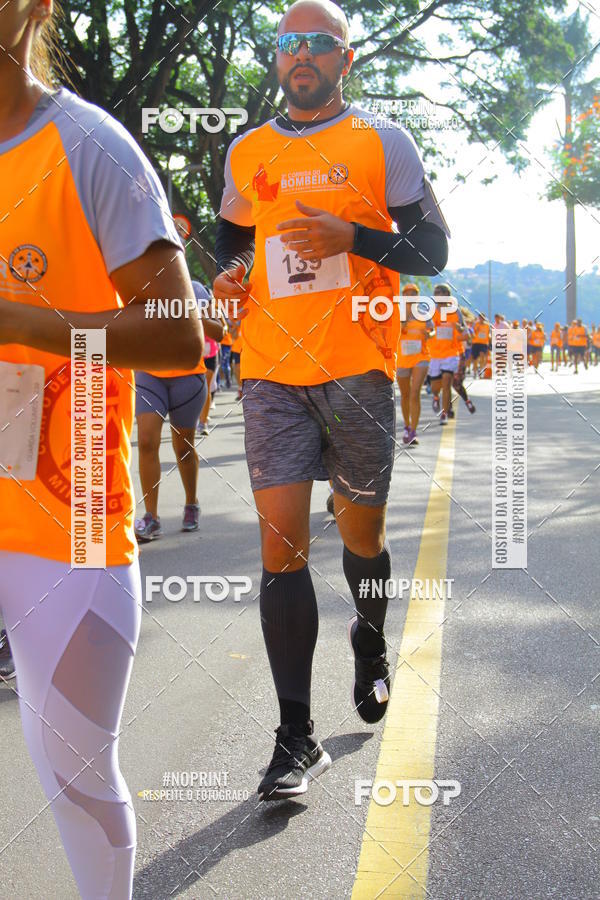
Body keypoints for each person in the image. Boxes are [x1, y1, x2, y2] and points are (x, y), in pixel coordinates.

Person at [213, 0, 449, 801]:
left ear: (345, 59)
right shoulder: (248, 149)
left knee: (362, 536)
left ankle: (372, 639)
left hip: (357, 368)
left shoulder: (382, 141)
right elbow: (233, 236)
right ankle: (294, 739)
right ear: (276, 60)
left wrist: (354, 239)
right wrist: (229, 272)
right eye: (287, 43)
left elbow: (432, 247)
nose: (300, 54)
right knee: (280, 553)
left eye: (318, 43)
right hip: (272, 371)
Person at [0, 4, 203, 896]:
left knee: (76, 775)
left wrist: (19, 323)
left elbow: (174, 335)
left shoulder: (89, 145)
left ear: (38, 6)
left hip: (67, 507)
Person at [134, 282, 222, 540]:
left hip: (188, 377)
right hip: (150, 374)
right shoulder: (138, 286)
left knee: (183, 446)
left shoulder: (194, 288)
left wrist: (192, 311)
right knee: (147, 441)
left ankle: (191, 503)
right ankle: (151, 517)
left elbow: (218, 331)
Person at [396, 283, 431, 446]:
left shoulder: (424, 313)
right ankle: (406, 425)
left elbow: (433, 330)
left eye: (413, 294)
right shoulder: (396, 313)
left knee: (415, 392)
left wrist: (429, 333)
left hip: (421, 356)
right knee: (405, 394)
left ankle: (413, 431)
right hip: (402, 357)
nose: (410, 296)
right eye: (407, 293)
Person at [427, 284, 465, 424]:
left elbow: (463, 330)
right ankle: (436, 397)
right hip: (434, 353)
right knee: (436, 387)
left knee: (447, 383)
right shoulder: (430, 312)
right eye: (435, 293)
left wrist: (458, 328)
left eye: (440, 293)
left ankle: (444, 413)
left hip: (450, 353)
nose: (436, 295)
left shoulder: (455, 311)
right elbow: (428, 329)